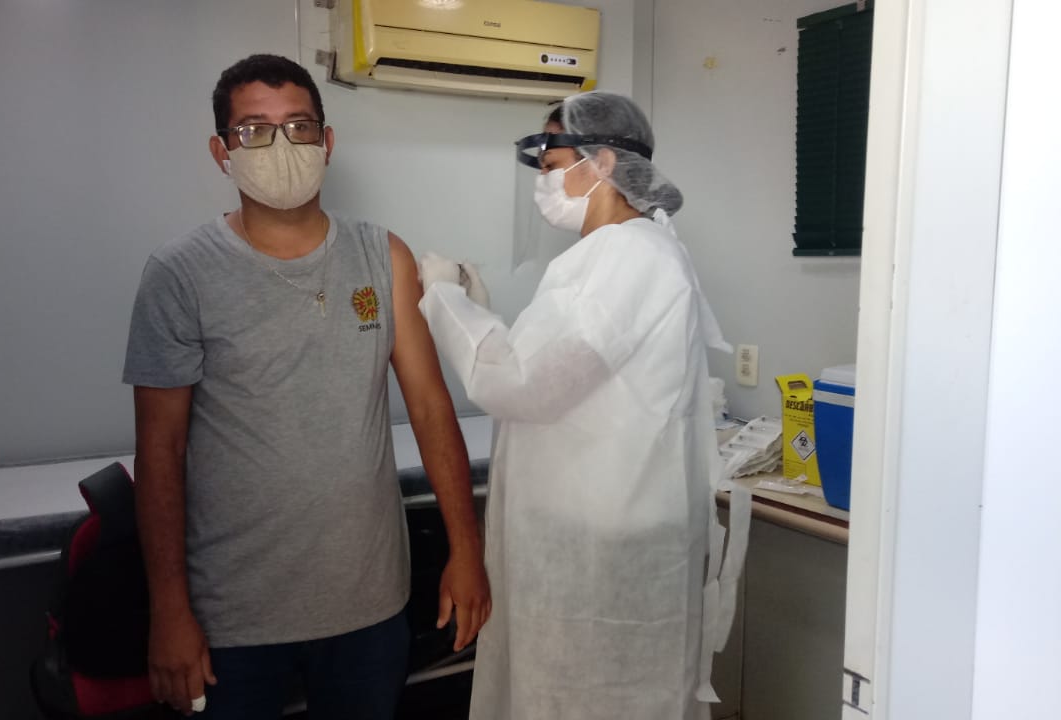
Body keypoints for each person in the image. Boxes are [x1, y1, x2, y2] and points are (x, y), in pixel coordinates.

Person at [122, 54, 491, 720]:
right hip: (233, 614)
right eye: (253, 130)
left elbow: (431, 408)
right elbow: (159, 451)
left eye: (298, 126)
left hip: (368, 601)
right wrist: (168, 610)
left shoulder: (382, 256)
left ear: (327, 141)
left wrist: (467, 551)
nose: (281, 146)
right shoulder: (181, 275)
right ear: (222, 151)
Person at [417, 91, 746, 720]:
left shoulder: (631, 255)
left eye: (550, 166)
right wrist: (485, 315)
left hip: (606, 547)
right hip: (587, 528)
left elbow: (521, 386)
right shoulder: (608, 256)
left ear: (602, 162)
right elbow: (564, 373)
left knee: (592, 698)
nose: (543, 185)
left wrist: (445, 300)